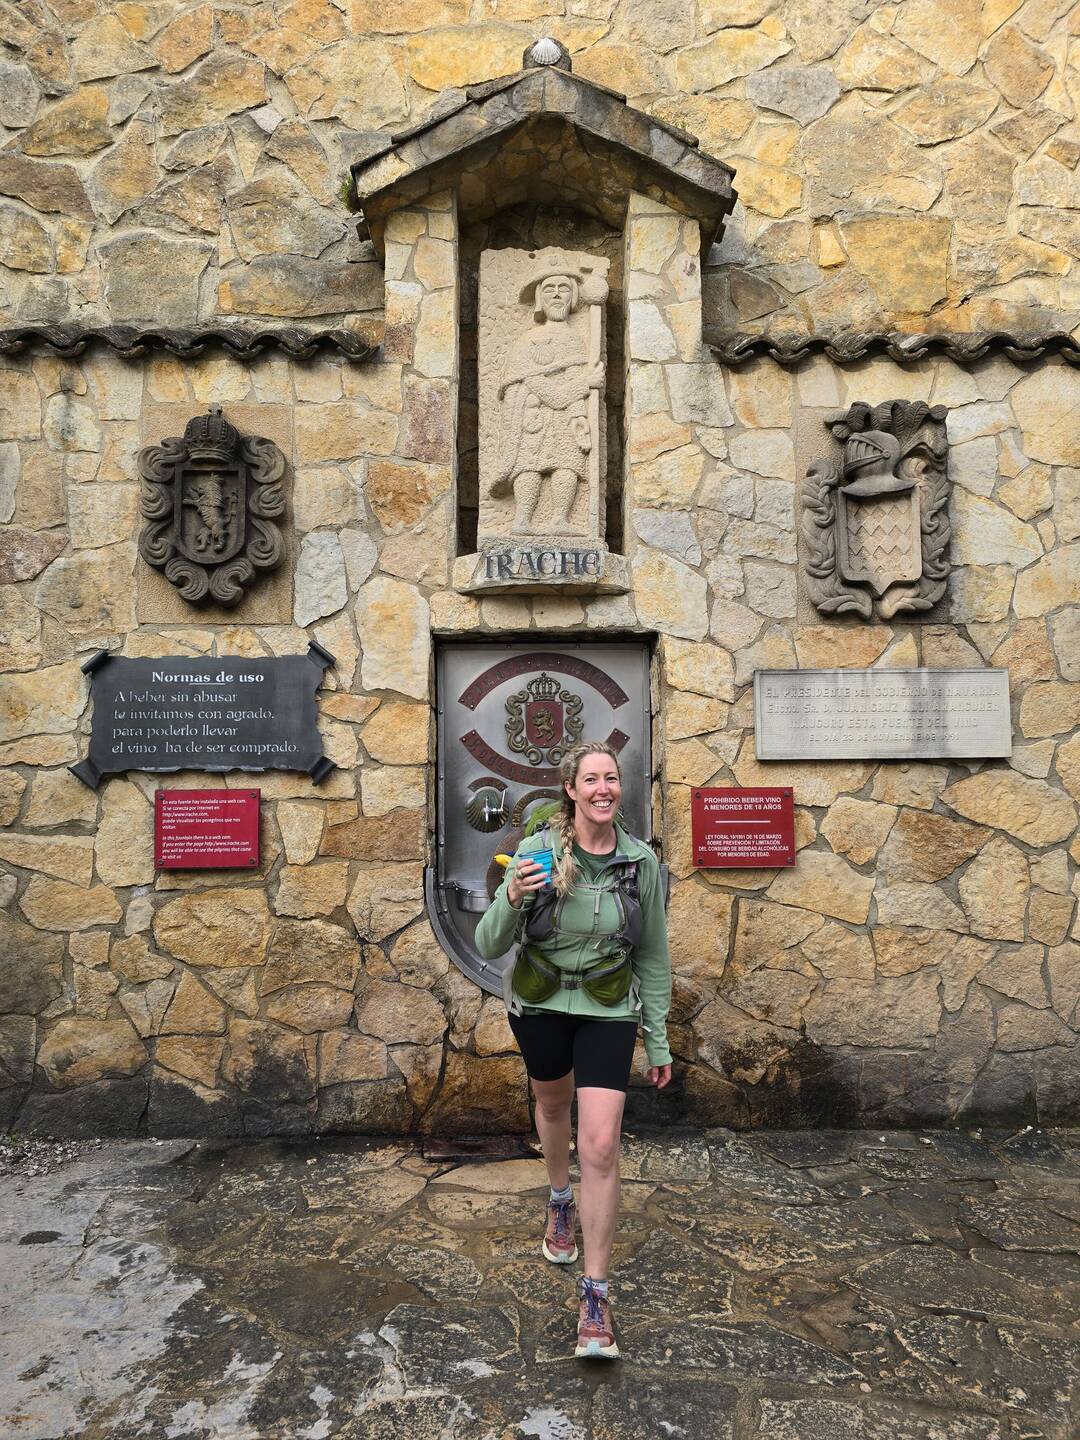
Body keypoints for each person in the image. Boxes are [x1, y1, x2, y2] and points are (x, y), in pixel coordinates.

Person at [475, 740, 672, 1360]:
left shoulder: (641, 865)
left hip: (609, 1007)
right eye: (591, 779)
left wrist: (658, 1035)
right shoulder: (537, 854)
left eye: (611, 778)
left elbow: (654, 955)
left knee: (603, 1142)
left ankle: (595, 1296)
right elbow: (487, 943)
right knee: (552, 1105)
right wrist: (510, 898)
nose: (603, 789)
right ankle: (560, 1197)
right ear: (571, 790)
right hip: (539, 1003)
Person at [491, 249, 605, 533]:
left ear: (574, 296)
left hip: (565, 418)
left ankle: (560, 520)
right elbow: (545, 390)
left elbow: (575, 387)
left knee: (568, 464)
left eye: (564, 288)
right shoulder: (527, 341)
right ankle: (522, 521)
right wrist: (585, 383)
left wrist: (580, 418)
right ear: (540, 297)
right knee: (529, 466)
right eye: (550, 289)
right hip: (533, 418)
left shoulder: (578, 341)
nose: (557, 295)